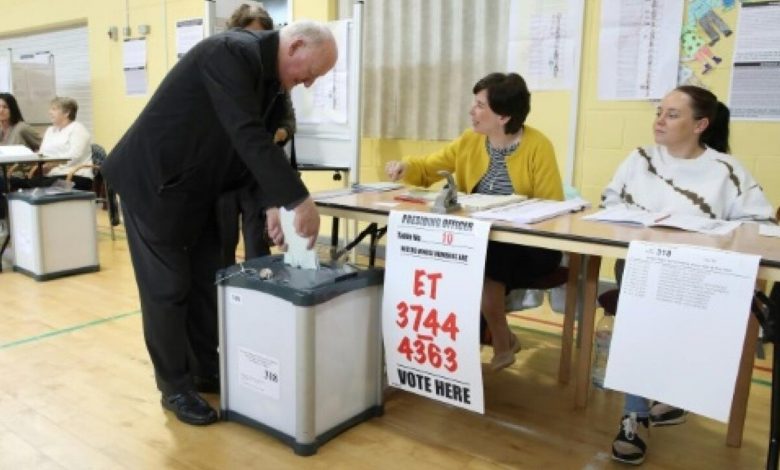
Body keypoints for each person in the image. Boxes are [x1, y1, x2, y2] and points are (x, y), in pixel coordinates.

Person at [101, 20, 337, 426]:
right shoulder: (228, 53)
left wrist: (271, 205)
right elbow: (246, 133)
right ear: (295, 45)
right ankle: (174, 386)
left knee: (209, 278)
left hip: (199, 189)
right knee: (168, 287)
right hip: (152, 183)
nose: (309, 84)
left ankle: (205, 370)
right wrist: (298, 199)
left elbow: (255, 145)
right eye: (311, 73)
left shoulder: (270, 79)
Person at [601, 85, 775, 465]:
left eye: (672, 114)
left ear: (701, 124)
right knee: (641, 307)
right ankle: (637, 411)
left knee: (665, 313)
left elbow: (758, 223)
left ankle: (673, 395)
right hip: (643, 264)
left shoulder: (727, 170)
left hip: (701, 275)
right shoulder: (639, 159)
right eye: (659, 112)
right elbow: (610, 203)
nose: (659, 121)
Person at [385, 72, 564, 373]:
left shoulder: (538, 146)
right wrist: (406, 167)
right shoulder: (471, 140)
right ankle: (451, 344)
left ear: (504, 116)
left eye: (480, 105)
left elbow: (553, 209)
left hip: (530, 244)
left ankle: (502, 343)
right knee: (446, 252)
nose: (472, 110)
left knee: (483, 256)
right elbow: (431, 166)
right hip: (480, 237)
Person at [217, 2, 298, 267]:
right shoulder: (224, 75)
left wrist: (276, 135)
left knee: (257, 244)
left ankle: (257, 295)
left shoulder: (276, 83)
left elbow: (288, 121)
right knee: (222, 244)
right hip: (226, 176)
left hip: (257, 175)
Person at [12, 96, 93, 191]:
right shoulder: (50, 130)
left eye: (54, 109)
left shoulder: (78, 129)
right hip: (51, 175)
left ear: (67, 112)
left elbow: (74, 156)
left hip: (75, 176)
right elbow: (42, 154)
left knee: (39, 185)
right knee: (14, 182)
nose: (50, 112)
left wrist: (52, 164)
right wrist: (41, 164)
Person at [0, 92, 42, 226]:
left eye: (5, 107)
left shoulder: (22, 128)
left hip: (18, 175)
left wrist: (31, 165)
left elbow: (45, 148)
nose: (1, 110)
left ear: (12, 109)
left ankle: (3, 224)